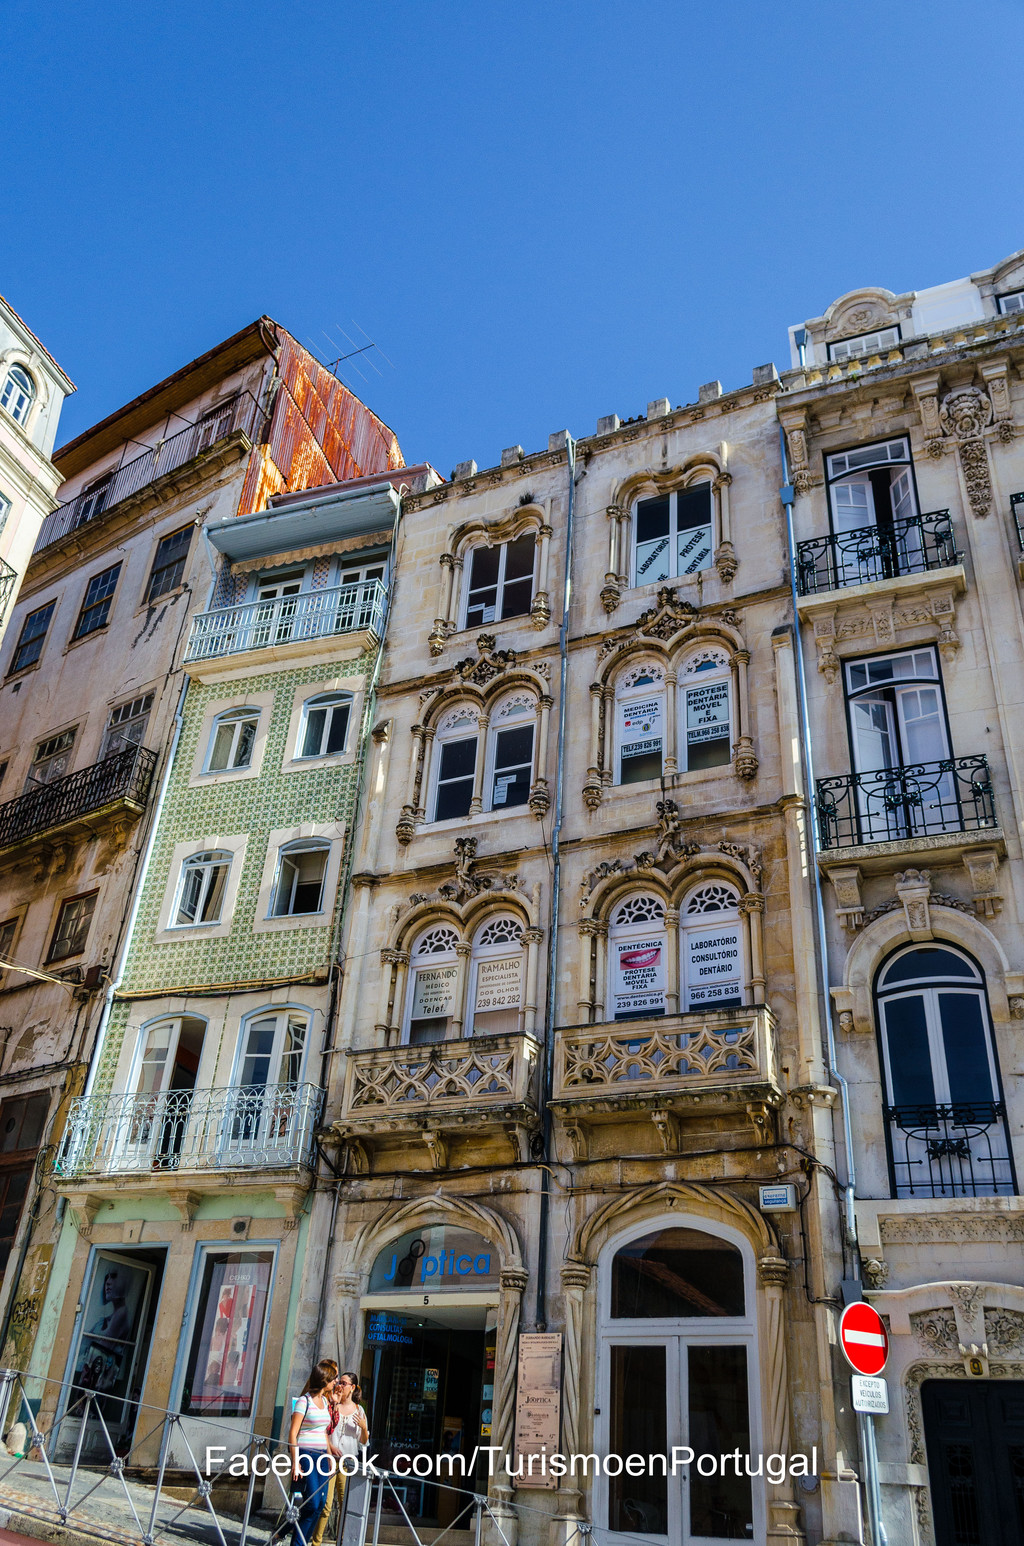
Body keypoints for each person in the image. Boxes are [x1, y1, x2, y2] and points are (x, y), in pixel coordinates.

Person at [287, 1362, 338, 1546]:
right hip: (306, 1454)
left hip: (322, 1455)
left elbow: (324, 1430)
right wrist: (295, 1462)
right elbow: (293, 1432)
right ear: (324, 1380)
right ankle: (297, 1542)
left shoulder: (325, 1401)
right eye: (333, 1379)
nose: (336, 1382)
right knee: (313, 1502)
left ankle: (301, 1541)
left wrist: (330, 1455)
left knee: (321, 1503)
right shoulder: (304, 1401)